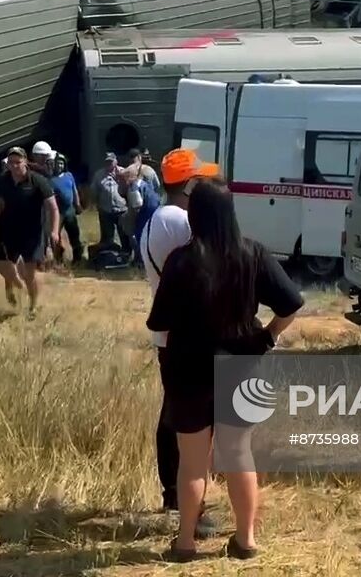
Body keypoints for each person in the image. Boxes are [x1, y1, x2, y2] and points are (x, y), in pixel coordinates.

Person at [147, 180, 304, 561]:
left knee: (192, 461)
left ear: (195, 214)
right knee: (238, 454)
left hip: (189, 370)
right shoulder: (253, 253)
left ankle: (185, 543)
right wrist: (266, 337)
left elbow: (158, 322)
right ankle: (246, 540)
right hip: (242, 366)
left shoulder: (182, 261)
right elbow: (292, 303)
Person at [139, 149, 220, 521]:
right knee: (187, 421)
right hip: (187, 338)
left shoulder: (161, 217)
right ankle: (182, 501)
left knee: (175, 415)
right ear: (189, 185)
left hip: (173, 337)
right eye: (202, 180)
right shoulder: (180, 222)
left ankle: (176, 497)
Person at [0, 146, 60, 313]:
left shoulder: (38, 181)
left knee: (29, 273)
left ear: (25, 161)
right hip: (7, 230)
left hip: (31, 232)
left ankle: (33, 305)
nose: (14, 166)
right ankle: (19, 288)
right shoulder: (3, 181)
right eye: (11, 162)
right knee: (2, 265)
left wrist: (54, 231)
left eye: (18, 162)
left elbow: (53, 208)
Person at [51, 153, 83, 265]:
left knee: (74, 234)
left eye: (61, 163)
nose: (59, 165)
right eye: (57, 163)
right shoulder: (50, 178)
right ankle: (58, 259)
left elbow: (74, 191)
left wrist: (78, 205)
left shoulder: (69, 175)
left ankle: (78, 258)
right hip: (57, 212)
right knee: (56, 237)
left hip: (70, 210)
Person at [94, 152, 130, 251]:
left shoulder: (124, 172)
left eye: (111, 161)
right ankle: (110, 256)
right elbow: (94, 191)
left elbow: (131, 189)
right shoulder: (99, 174)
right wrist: (97, 206)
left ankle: (126, 254)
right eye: (107, 162)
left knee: (124, 234)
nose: (109, 164)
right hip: (106, 210)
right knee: (107, 236)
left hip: (122, 209)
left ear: (116, 161)